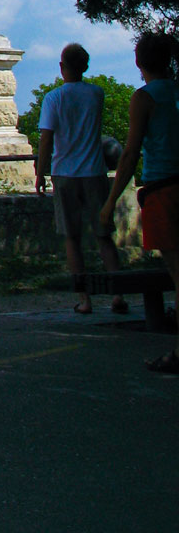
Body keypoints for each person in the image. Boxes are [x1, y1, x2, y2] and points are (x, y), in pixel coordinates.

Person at [99, 32, 179, 375]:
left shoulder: (144, 98)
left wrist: (110, 202)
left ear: (139, 61)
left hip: (164, 187)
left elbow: (130, 153)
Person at [36, 42, 128, 316]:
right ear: (86, 67)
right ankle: (118, 294)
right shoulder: (96, 94)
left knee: (72, 239)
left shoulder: (53, 98)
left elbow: (46, 138)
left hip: (65, 172)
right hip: (94, 171)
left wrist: (41, 171)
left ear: (62, 67)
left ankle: (84, 298)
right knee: (104, 237)